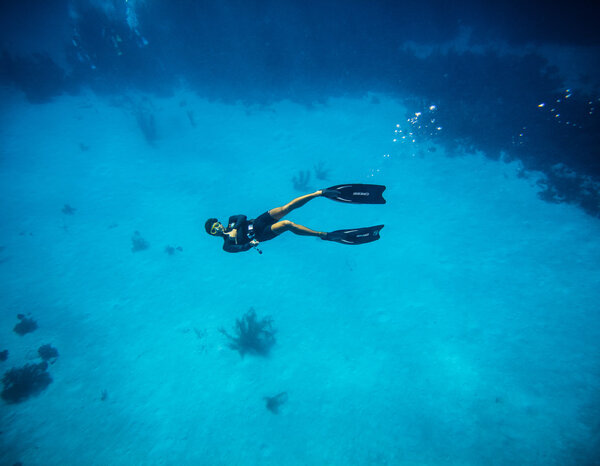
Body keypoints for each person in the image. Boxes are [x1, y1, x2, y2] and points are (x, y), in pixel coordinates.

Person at [205, 184, 386, 253]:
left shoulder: (231, 220)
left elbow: (242, 217)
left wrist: (236, 228)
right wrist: (249, 245)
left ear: (219, 222)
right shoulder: (226, 246)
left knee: (286, 208)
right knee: (287, 224)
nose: (217, 228)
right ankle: (323, 234)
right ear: (213, 235)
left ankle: (318, 193)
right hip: (261, 234)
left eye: (216, 224)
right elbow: (239, 249)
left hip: (257, 221)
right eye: (214, 230)